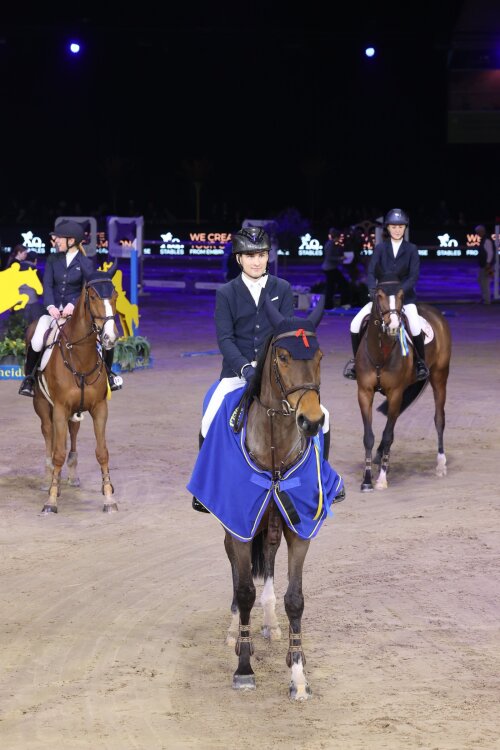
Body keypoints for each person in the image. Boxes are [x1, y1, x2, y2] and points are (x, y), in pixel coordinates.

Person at [192, 226, 334, 512]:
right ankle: (208, 486)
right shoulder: (226, 293)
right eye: (249, 256)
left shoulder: (281, 288)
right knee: (209, 420)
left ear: (268, 257)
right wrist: (244, 368)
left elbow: (288, 335)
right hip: (237, 373)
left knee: (325, 417)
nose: (256, 261)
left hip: (276, 373)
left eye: (261, 255)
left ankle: (321, 480)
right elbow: (225, 339)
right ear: (239, 259)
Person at [18, 220, 123, 397]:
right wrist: (50, 306)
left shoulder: (85, 262)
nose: (56, 240)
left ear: (71, 240)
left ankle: (109, 375)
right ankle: (29, 379)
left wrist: (73, 305)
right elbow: (47, 285)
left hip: (77, 314)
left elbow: (87, 289)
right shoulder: (52, 259)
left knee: (105, 338)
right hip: (52, 312)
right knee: (36, 339)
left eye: (59, 238)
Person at [343, 208, 429, 382]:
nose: (397, 230)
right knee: (355, 324)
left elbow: (414, 276)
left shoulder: (411, 249)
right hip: (382, 299)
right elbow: (371, 272)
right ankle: (356, 363)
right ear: (388, 228)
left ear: (405, 228)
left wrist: (400, 291)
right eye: (393, 227)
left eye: (400, 227)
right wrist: (372, 291)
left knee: (414, 325)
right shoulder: (380, 248)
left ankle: (420, 362)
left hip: (404, 298)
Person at [321, 227, 349, 308]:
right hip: (330, 268)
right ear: (336, 237)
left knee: (331, 286)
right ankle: (343, 302)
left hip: (329, 268)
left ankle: (328, 304)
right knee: (343, 284)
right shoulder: (331, 245)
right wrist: (340, 258)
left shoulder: (330, 244)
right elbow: (329, 257)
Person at [475, 224, 494, 305]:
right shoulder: (483, 240)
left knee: (485, 282)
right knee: (480, 281)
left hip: (487, 266)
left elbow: (490, 253)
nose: (477, 234)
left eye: (478, 232)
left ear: (482, 231)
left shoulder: (487, 240)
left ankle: (487, 300)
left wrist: (488, 263)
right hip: (483, 265)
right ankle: (484, 298)